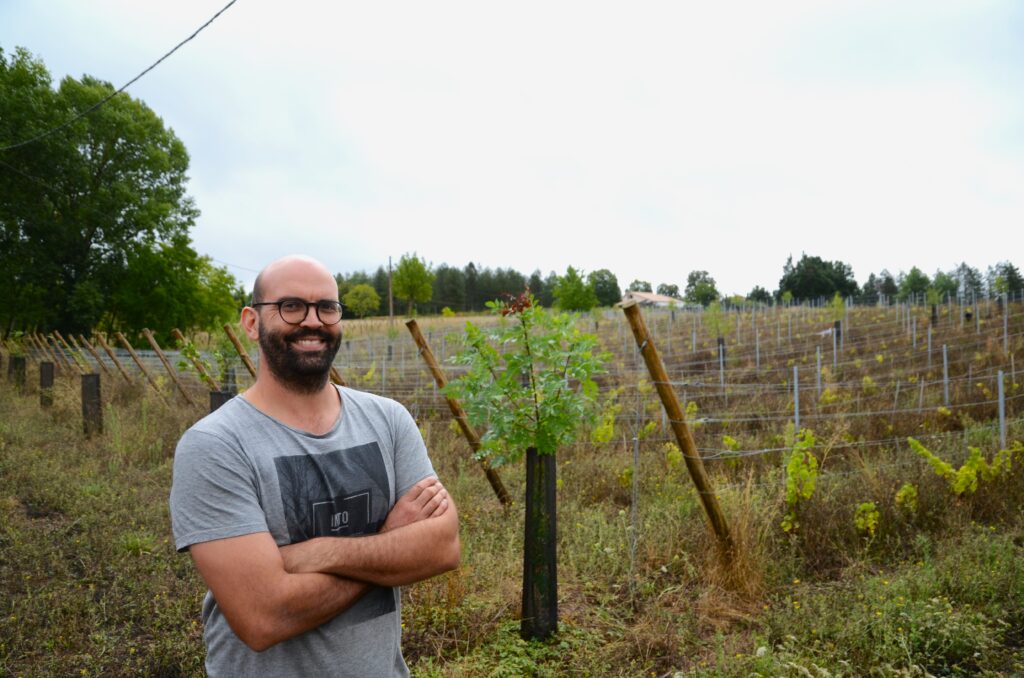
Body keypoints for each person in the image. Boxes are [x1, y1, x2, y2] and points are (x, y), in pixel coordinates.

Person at [170, 254, 459, 676]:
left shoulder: (388, 419)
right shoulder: (215, 445)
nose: (313, 321)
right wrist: (390, 541)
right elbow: (264, 617)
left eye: (327, 307)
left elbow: (442, 548)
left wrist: (314, 554)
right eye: (291, 306)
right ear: (251, 322)